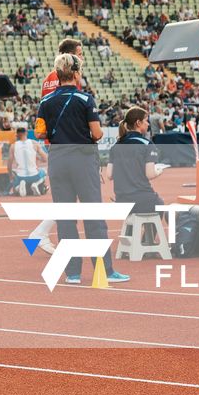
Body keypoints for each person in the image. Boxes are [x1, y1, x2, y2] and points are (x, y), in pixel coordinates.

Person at [40, 52, 126, 283]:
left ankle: (73, 273)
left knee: (65, 217)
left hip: (58, 159)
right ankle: (104, 270)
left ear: (57, 75)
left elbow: (39, 132)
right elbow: (97, 133)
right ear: (77, 74)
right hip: (82, 158)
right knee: (93, 215)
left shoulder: (45, 102)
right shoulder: (85, 99)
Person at [109, 106, 161, 215]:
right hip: (143, 199)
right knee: (160, 206)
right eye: (146, 121)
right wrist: (159, 170)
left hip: (121, 200)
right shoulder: (147, 144)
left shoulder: (115, 146)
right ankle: (148, 233)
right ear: (138, 123)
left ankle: (135, 232)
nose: (148, 124)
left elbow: (109, 175)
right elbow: (150, 174)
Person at [10, 126, 45, 196]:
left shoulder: (13, 146)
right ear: (26, 133)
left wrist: (10, 175)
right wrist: (37, 157)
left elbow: (9, 165)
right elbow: (45, 158)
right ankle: (36, 184)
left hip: (20, 176)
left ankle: (19, 187)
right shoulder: (34, 143)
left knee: (14, 186)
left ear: (17, 134)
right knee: (43, 171)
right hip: (34, 175)